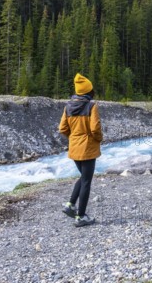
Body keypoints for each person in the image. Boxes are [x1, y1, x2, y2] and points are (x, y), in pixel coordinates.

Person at [58, 73, 103, 227]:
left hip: (74, 147)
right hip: (88, 148)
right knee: (86, 181)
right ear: (88, 91)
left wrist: (74, 137)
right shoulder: (91, 106)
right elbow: (95, 128)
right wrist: (98, 139)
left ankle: (70, 204)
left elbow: (62, 128)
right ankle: (81, 217)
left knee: (83, 177)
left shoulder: (68, 106)